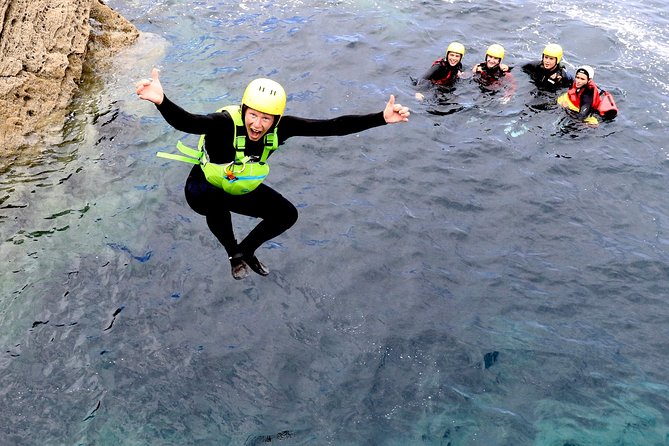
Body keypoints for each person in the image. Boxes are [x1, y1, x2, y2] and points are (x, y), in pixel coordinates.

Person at [135, 68, 410, 280]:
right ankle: (233, 254)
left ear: (276, 120)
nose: (257, 124)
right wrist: (162, 101)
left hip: (237, 183)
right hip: (202, 188)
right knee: (216, 205)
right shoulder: (223, 124)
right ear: (244, 111)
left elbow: (332, 126)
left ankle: (246, 251)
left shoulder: (283, 128)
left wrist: (381, 118)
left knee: (287, 214)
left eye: (266, 119)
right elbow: (190, 122)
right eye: (253, 115)